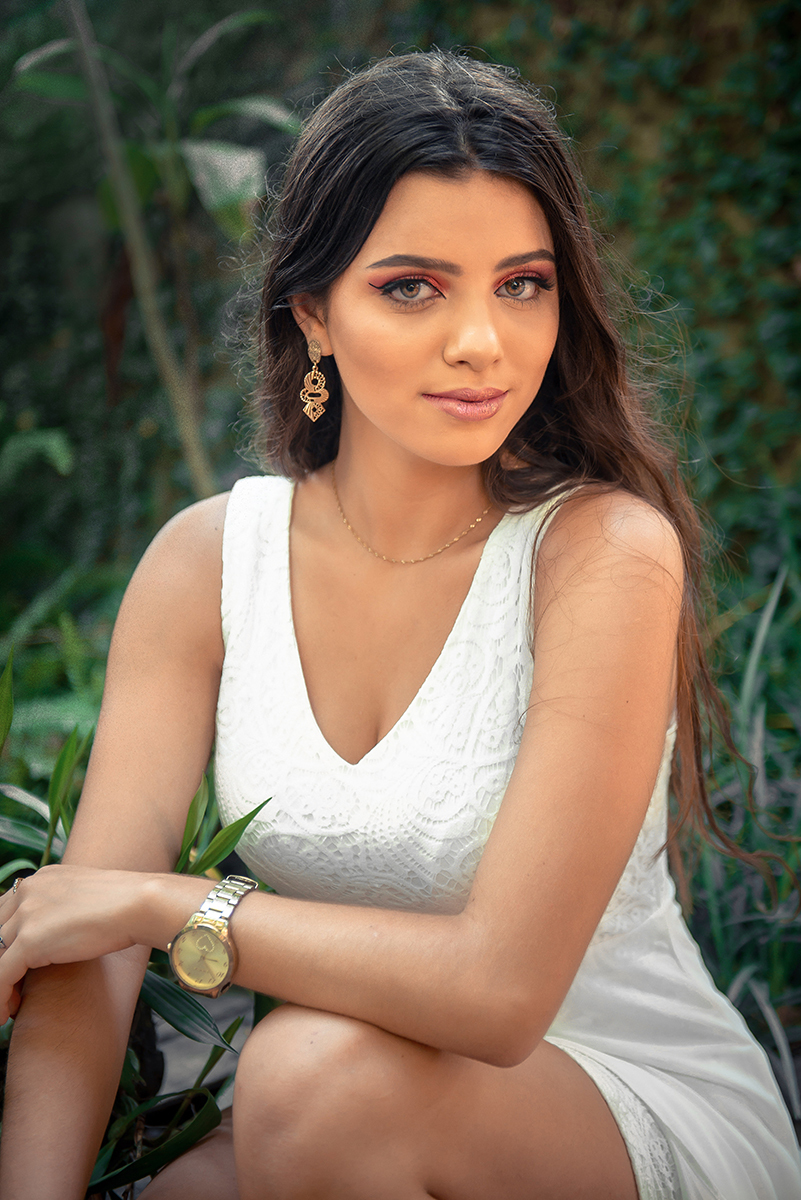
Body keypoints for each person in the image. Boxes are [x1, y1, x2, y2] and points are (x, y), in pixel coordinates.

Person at [0, 49, 798, 1200]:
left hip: (613, 1106)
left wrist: (160, 903)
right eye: (414, 286)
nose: (481, 340)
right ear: (314, 313)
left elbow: (498, 995)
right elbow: (88, 950)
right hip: (339, 1108)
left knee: (307, 1078)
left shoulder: (602, 554)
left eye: (522, 283)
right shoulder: (207, 563)